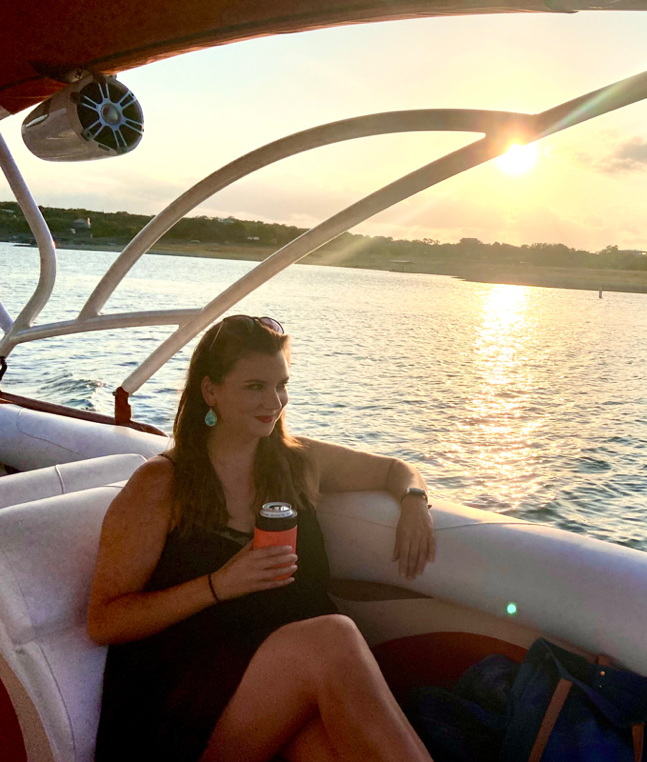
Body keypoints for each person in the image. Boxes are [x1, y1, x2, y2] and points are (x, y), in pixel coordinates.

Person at [88, 315, 436, 762]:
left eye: (281, 385)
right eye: (255, 386)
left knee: (325, 751)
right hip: (188, 702)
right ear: (210, 391)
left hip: (282, 694)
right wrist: (218, 586)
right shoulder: (161, 484)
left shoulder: (298, 463)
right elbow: (104, 621)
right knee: (333, 635)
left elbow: (395, 470)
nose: (274, 401)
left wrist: (412, 500)